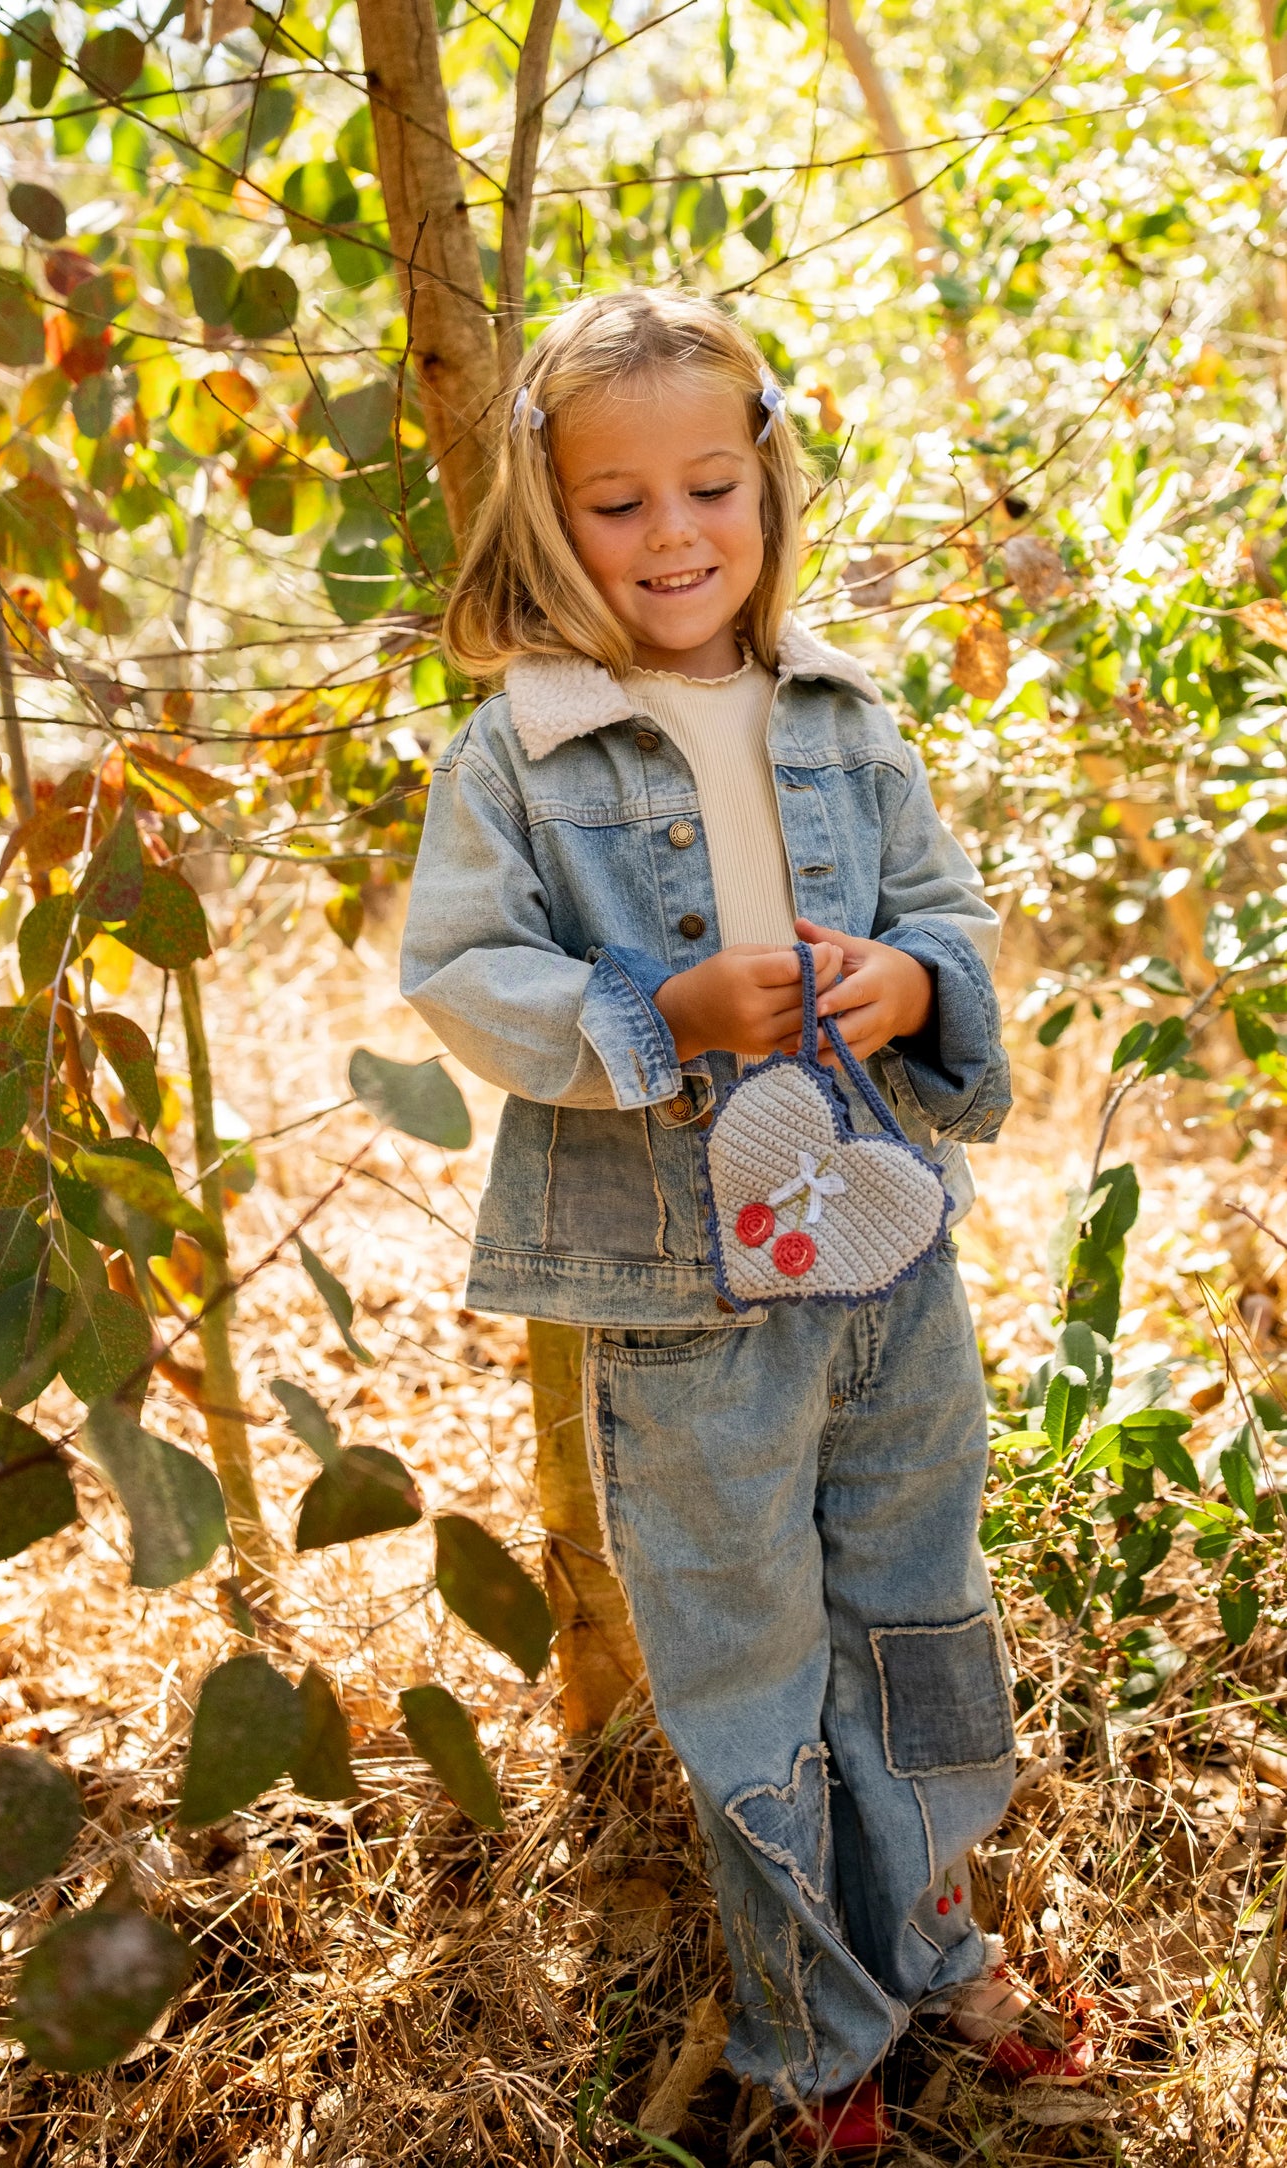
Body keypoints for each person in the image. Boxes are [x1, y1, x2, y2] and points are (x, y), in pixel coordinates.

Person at [400, 290, 1084, 2154]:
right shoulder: (517, 752)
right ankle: (812, 2038)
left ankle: (937, 1951)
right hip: (677, 1287)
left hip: (883, 1253)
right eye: (615, 504)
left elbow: (947, 912)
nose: (674, 534)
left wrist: (911, 984)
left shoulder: (846, 722)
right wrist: (654, 1016)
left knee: (917, 1610)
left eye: (710, 485)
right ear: (546, 517)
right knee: (743, 1658)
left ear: (769, 489)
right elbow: (458, 970)